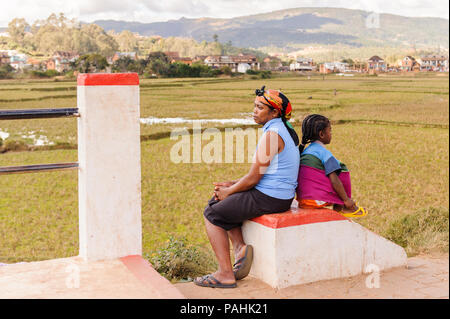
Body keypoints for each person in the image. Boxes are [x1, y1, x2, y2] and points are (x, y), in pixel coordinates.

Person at [194, 86, 300, 288]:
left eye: (260, 107)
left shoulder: (272, 135)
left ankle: (225, 273)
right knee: (217, 199)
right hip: (276, 194)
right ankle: (240, 248)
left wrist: (230, 191)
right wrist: (232, 185)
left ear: (275, 112)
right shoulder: (281, 129)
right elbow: (263, 174)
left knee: (212, 214)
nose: (254, 111)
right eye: (254, 106)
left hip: (271, 197)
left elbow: (253, 178)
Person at [296, 114, 367, 217]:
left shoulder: (305, 151)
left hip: (302, 200)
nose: (331, 133)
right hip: (315, 200)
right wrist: (347, 200)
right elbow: (334, 180)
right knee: (341, 169)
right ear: (321, 134)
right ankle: (343, 207)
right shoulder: (324, 153)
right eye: (330, 130)